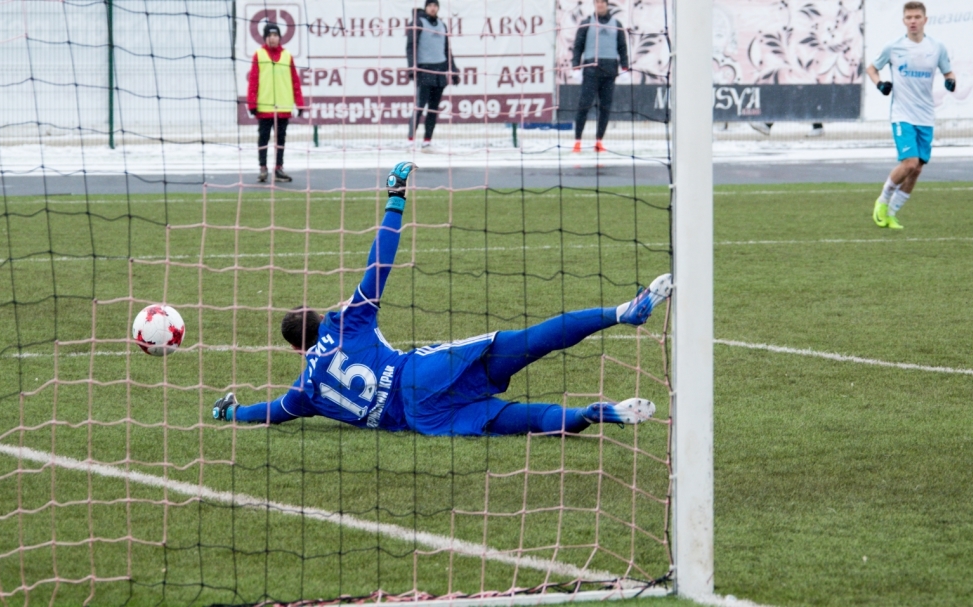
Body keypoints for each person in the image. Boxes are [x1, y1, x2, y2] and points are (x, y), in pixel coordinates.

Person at [212, 162, 673, 437]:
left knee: (511, 420)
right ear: (318, 317)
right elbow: (380, 263)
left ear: (297, 350)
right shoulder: (345, 323)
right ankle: (622, 313)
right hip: (418, 373)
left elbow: (266, 413)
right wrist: (395, 197)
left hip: (423, 422)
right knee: (531, 341)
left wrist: (231, 411)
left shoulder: (305, 392)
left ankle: (586, 416)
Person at [867, 1, 955, 230]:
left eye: (917, 17)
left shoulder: (937, 47)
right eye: (909, 17)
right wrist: (880, 85)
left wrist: (950, 81)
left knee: (917, 170)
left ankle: (892, 214)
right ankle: (882, 201)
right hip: (902, 114)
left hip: (926, 116)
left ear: (925, 20)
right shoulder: (893, 47)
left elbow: (948, 71)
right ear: (904, 21)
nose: (913, 21)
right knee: (909, 163)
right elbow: (871, 68)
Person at [247, 22, 304, 183]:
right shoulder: (259, 55)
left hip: (283, 108)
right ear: (265, 38)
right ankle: (263, 168)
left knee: (280, 140)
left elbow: (294, 81)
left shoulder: (287, 56)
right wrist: (252, 103)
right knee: (263, 139)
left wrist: (299, 103)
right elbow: (253, 80)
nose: (273, 38)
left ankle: (278, 168)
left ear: (279, 37)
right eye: (270, 35)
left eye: (275, 35)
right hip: (264, 108)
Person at [571, 0, 629, 153]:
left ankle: (599, 141)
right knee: (584, 105)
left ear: (606, 4)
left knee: (605, 108)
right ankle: (577, 141)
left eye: (602, 2)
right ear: (594, 4)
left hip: (609, 72)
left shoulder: (616, 24)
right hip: (591, 71)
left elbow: (622, 47)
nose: (600, 4)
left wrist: (624, 67)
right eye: (597, 2)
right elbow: (578, 46)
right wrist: (576, 67)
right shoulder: (586, 23)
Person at [406, 0, 460, 149]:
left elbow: (447, 50)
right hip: (425, 70)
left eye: (435, 5)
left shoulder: (442, 25)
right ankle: (411, 139)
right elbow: (411, 47)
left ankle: (427, 140)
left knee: (433, 109)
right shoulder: (418, 23)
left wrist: (453, 70)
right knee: (420, 106)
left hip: (440, 71)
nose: (432, 8)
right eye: (430, 5)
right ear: (426, 7)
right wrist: (412, 68)